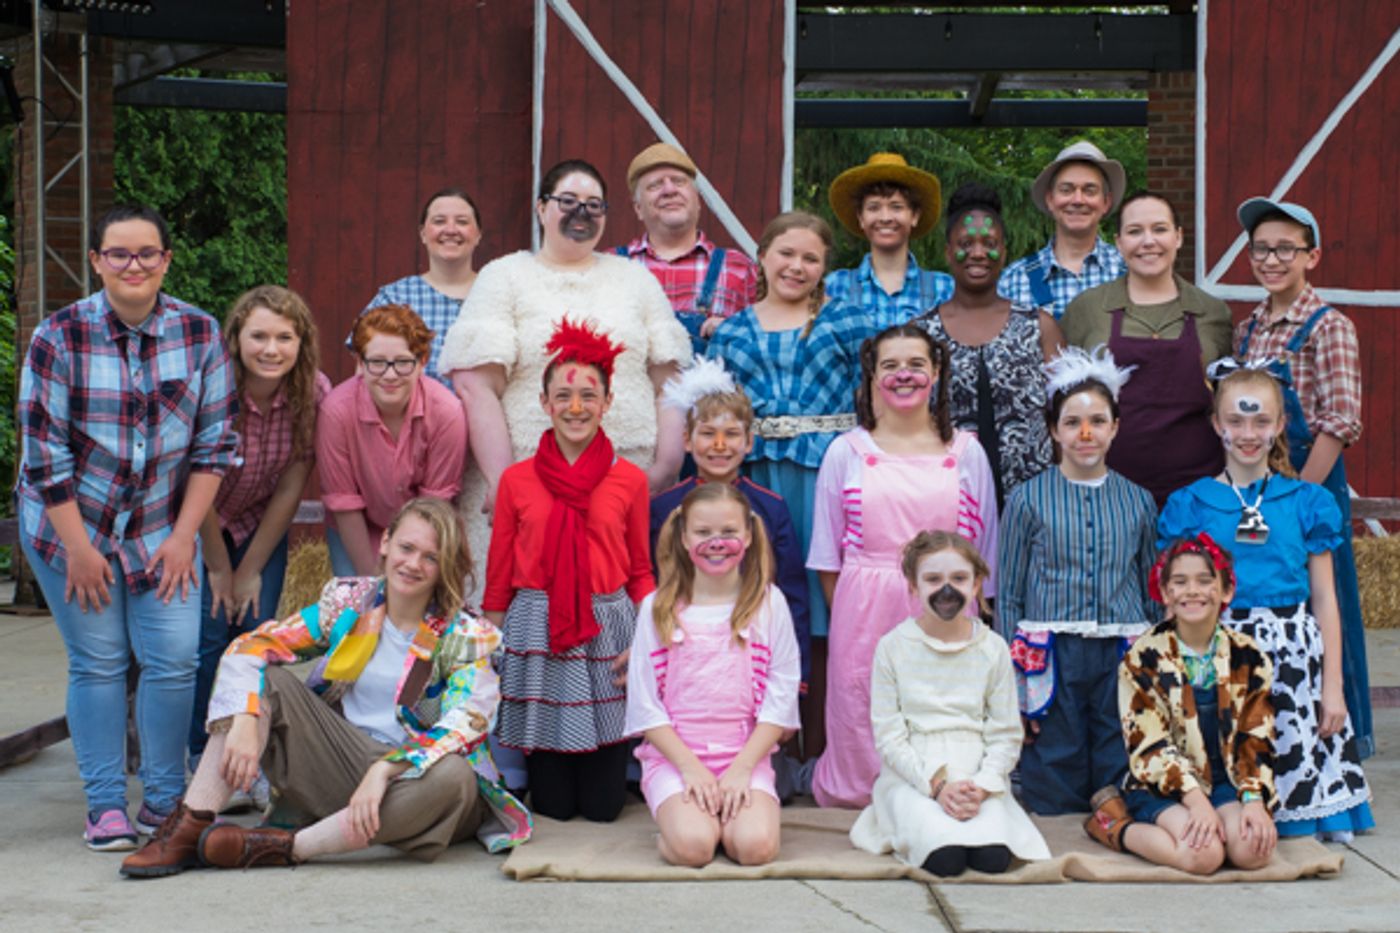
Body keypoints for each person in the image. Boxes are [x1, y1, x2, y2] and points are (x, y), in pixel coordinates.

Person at [119, 498, 531, 877]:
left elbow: (466, 723)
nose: (413, 564)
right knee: (268, 682)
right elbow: (253, 645)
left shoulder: (467, 635)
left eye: (431, 558)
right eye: (406, 548)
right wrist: (246, 716)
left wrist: (385, 770)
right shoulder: (350, 604)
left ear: (445, 568)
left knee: (456, 778)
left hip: (414, 777)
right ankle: (190, 827)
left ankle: (287, 847)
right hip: (343, 757)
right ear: (385, 543)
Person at [18, 205, 238, 851]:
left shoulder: (199, 333)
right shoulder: (56, 336)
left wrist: (184, 537)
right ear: (96, 261)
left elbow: (213, 446)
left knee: (173, 658)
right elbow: (44, 453)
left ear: (166, 260)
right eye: (118, 253)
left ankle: (167, 801)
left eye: (147, 253)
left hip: (159, 527)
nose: (133, 264)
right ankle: (106, 804)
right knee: (101, 660)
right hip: (69, 524)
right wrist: (80, 550)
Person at [441, 158, 692, 592]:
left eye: (594, 205)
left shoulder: (636, 281)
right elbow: (474, 385)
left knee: (614, 611)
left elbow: (669, 380)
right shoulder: (505, 276)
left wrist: (665, 469)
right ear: (541, 208)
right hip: (526, 480)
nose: (582, 213)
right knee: (520, 609)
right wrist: (504, 482)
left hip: (624, 480)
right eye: (568, 201)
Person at [1158, 367, 1372, 840]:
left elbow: (1325, 600)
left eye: (1260, 422)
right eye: (1236, 421)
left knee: (1289, 745)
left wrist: (1332, 688)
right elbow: (1176, 599)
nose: (1248, 434)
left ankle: (1302, 812)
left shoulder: (1306, 502)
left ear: (1278, 425)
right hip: (1219, 649)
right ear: (1217, 425)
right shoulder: (1191, 503)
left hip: (1293, 654)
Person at [808, 324, 998, 809]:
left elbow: (985, 547)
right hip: (866, 602)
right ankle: (861, 789)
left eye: (916, 364)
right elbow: (828, 555)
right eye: (890, 365)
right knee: (864, 703)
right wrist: (851, 615)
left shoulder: (967, 452)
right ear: (872, 376)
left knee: (941, 704)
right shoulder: (846, 453)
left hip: (947, 604)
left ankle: (943, 788)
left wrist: (972, 604)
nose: (903, 375)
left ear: (935, 373)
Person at [483, 319, 655, 822]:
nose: (575, 408)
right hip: (539, 627)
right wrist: (489, 643)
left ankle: (607, 774)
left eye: (588, 395)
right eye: (563, 395)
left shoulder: (630, 481)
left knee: (603, 809)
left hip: (607, 628)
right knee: (554, 808)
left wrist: (649, 634)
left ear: (607, 403)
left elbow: (640, 569)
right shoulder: (516, 481)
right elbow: (499, 574)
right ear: (544, 404)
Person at [1233, 197, 1371, 760]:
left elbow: (1339, 422)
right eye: (1262, 248)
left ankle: (1345, 734)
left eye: (1285, 249)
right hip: (1256, 480)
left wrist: (1298, 500)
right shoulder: (1247, 328)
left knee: (1324, 599)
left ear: (1311, 256)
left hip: (1309, 480)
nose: (1272, 258)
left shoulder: (1329, 326)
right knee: (1268, 604)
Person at [998, 346, 1157, 815]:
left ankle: (1114, 817)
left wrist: (1150, 654)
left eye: (1098, 421)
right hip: (1052, 648)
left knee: (1117, 737)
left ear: (1115, 428)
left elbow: (1150, 583)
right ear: (1054, 430)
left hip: (1120, 645)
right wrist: (1012, 669)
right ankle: (1059, 822)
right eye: (1072, 422)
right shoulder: (1028, 499)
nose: (1085, 433)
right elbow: (1009, 590)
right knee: (1056, 745)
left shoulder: (1139, 501)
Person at [706, 211, 875, 650]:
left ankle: (823, 692)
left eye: (811, 259)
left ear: (824, 269)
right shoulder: (730, 332)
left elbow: (875, 400)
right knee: (763, 580)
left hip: (828, 473)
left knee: (825, 590)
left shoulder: (846, 322)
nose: (797, 267)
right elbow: (714, 414)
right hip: (756, 475)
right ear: (762, 257)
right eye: (786, 253)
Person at [190, 285, 331, 778]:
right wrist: (217, 567)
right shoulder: (212, 387)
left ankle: (245, 753)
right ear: (235, 339)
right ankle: (195, 749)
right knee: (205, 640)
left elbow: (293, 481)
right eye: (259, 336)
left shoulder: (312, 392)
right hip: (200, 521)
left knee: (253, 636)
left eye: (284, 337)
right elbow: (197, 478)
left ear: (301, 342)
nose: (271, 349)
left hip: (258, 526)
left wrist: (248, 568)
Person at [850, 531, 1049, 877]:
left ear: (976, 585)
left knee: (993, 859)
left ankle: (980, 814)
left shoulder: (993, 648)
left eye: (959, 578)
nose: (947, 589)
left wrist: (984, 785)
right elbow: (889, 735)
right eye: (933, 579)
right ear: (913, 585)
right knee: (946, 859)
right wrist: (937, 786)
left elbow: (1005, 732)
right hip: (915, 774)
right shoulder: (893, 647)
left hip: (975, 773)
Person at [626, 483, 801, 867]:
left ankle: (729, 817)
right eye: (703, 533)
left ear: (749, 536)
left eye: (728, 532)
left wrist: (741, 770)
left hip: (745, 756)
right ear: (684, 537)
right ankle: (684, 825)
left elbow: (781, 698)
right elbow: (644, 705)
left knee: (755, 848)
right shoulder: (658, 607)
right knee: (694, 848)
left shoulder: (769, 604)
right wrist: (691, 769)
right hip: (676, 758)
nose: (716, 542)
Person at [1086, 535, 1278, 875]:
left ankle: (1222, 822)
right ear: (1165, 593)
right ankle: (1117, 827)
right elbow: (1149, 746)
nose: (1193, 590)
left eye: (1205, 581)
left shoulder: (1249, 655)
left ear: (1227, 590)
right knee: (1202, 856)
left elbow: (1256, 735)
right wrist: (1196, 802)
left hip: (1223, 780)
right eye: (1180, 582)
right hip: (1160, 783)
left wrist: (1252, 799)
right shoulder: (1142, 658)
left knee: (1254, 851)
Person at [1061, 191, 1232, 505]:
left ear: (1179, 237)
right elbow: (1065, 403)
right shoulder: (1087, 309)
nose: (1148, 241)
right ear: (1119, 242)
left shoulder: (1213, 313)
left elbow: (1225, 401)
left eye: (1160, 229)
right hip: (1106, 492)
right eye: (1135, 231)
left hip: (1199, 493)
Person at [650, 359, 810, 685]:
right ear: (687, 440)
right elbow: (653, 581)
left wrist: (797, 678)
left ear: (749, 442)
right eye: (708, 434)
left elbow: (792, 594)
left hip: (752, 647)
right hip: (682, 647)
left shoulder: (770, 508)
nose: (719, 445)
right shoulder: (664, 508)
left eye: (731, 434)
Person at [917, 183, 1064, 507]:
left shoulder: (1039, 326)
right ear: (947, 252)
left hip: (1034, 505)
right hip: (946, 501)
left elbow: (1063, 417)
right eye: (965, 243)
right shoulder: (921, 335)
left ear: (1005, 252)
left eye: (990, 243)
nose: (979, 252)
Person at [318, 304, 467, 577]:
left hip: (423, 526)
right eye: (376, 363)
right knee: (359, 603)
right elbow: (344, 503)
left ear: (422, 361)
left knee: (419, 607)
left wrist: (406, 568)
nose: (389, 375)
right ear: (360, 363)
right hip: (356, 526)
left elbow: (433, 505)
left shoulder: (447, 412)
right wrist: (374, 580)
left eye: (402, 362)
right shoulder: (336, 411)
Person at [616, 142, 758, 357]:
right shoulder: (610, 267)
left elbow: (767, 349)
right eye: (654, 185)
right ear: (638, 209)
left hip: (713, 392)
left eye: (679, 181)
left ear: (698, 201)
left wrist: (735, 333)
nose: (669, 190)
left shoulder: (740, 268)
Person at [358, 187, 484, 381]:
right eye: (439, 221)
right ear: (423, 234)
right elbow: (363, 371)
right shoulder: (394, 297)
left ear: (478, 235)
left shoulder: (498, 291)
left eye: (462, 222)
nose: (450, 230)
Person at [998, 140, 1127, 319]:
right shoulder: (1012, 281)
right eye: (1066, 190)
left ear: (1106, 202)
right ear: (1050, 199)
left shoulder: (1130, 272)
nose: (1078, 200)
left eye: (1089, 191)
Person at [824, 152, 954, 327]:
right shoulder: (835, 287)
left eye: (896, 207)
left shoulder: (944, 289)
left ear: (914, 216)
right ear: (861, 218)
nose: (885, 217)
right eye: (873, 207)